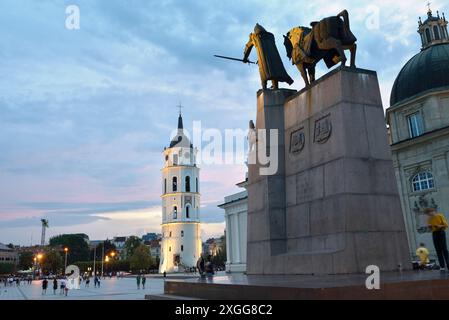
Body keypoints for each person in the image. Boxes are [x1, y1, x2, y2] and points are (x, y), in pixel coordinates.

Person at [243, 23, 294, 90]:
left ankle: (264, 88)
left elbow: (248, 47)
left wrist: (245, 58)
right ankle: (275, 87)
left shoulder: (254, 37)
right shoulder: (270, 37)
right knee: (274, 70)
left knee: (263, 70)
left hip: (263, 61)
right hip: (275, 59)